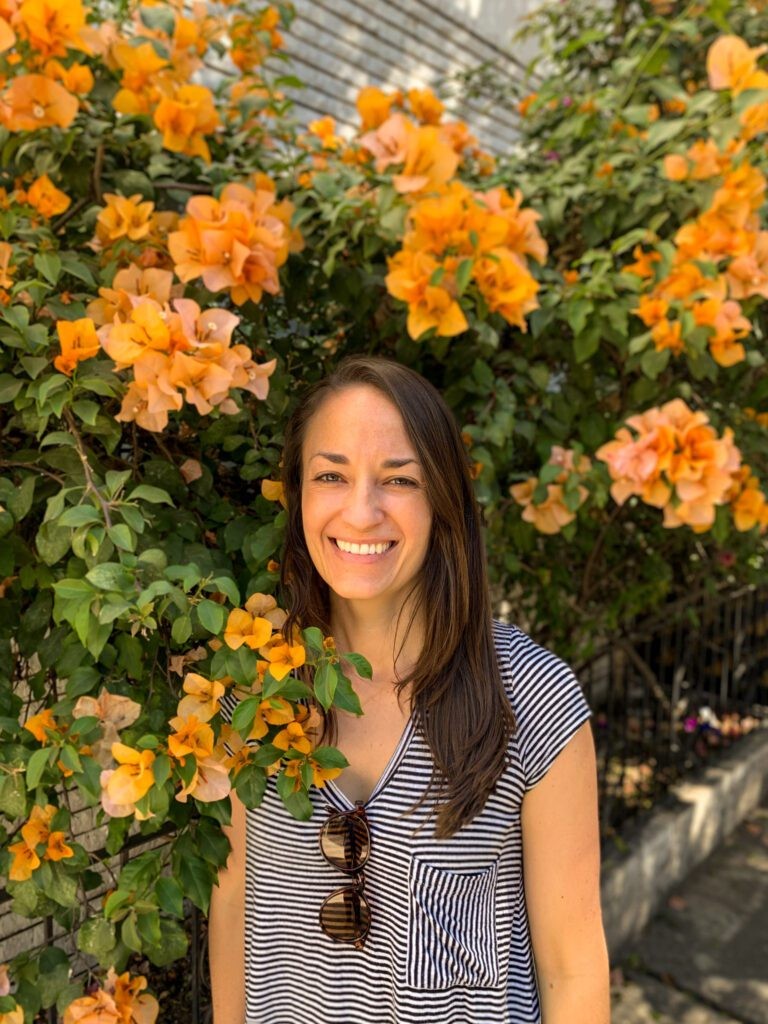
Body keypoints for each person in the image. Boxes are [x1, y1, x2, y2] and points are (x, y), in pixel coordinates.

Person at [209, 356, 610, 1024]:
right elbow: (233, 907)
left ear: (442, 501)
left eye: (399, 481)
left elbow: (574, 972)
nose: (361, 512)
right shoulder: (251, 693)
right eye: (331, 475)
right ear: (299, 492)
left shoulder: (532, 701)